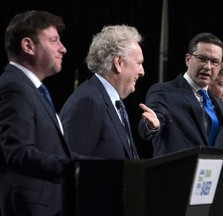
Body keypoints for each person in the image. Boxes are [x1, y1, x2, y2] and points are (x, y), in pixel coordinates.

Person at [0, 10, 72, 216]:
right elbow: (18, 153)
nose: (63, 49)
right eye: (54, 40)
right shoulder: (13, 87)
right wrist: (73, 168)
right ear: (28, 46)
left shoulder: (31, 89)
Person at [138, 32, 223, 157]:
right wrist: (152, 126)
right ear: (188, 60)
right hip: (177, 173)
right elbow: (152, 123)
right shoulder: (164, 92)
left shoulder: (218, 105)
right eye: (202, 59)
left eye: (214, 62)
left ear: (220, 67)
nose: (208, 67)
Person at [60, 25, 144, 160]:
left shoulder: (112, 102)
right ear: (118, 63)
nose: (142, 72)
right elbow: (74, 166)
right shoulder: (88, 101)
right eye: (139, 63)